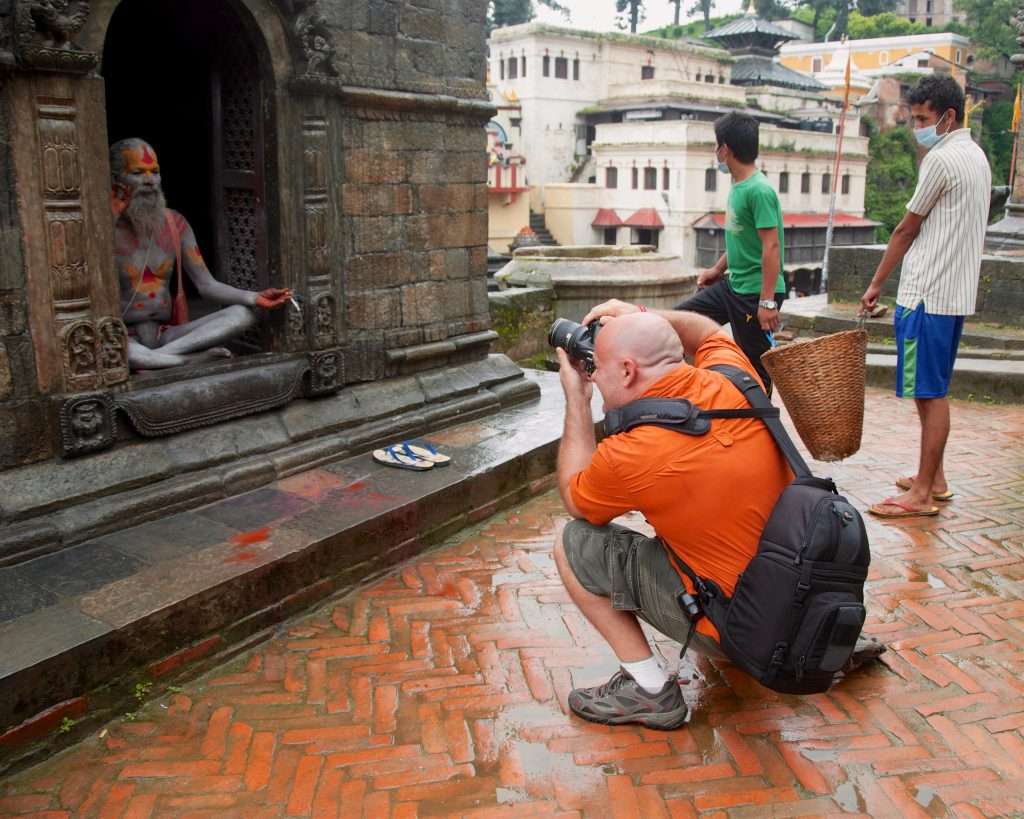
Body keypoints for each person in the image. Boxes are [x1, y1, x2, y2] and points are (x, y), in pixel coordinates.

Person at [552, 299, 883, 729]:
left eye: (597, 367)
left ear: (629, 371)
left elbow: (575, 498)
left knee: (571, 543)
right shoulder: (738, 380)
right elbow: (709, 333)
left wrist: (577, 398)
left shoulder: (632, 453)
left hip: (736, 629)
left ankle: (648, 688)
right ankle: (826, 636)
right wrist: (644, 315)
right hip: (804, 596)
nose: (593, 372)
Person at [859, 77, 991, 519]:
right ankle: (932, 477)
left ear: (947, 117)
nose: (917, 127)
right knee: (932, 389)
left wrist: (876, 283)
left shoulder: (941, 159)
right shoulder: (976, 156)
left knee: (928, 392)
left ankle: (921, 495)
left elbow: (905, 228)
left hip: (925, 296)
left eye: (922, 119)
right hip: (952, 295)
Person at [110, 138, 292, 370]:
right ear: (116, 180)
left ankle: (160, 359)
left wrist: (254, 297)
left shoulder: (176, 224)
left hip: (165, 335)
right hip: (124, 338)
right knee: (126, 353)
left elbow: (206, 285)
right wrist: (110, 220)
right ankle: (186, 360)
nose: (149, 181)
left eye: (154, 172)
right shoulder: (102, 227)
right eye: (138, 172)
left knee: (243, 314)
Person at [677, 112, 786, 394]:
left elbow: (771, 246)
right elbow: (742, 239)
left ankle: (763, 430)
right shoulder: (738, 186)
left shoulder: (759, 190)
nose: (716, 152)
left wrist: (767, 302)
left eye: (717, 146)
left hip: (754, 293)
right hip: (732, 286)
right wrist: (717, 269)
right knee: (677, 322)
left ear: (725, 149)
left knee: (756, 369)